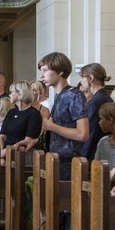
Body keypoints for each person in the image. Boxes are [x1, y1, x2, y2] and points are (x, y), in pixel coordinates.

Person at [38, 52, 88, 181]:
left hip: (70, 162)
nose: (41, 75)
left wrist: (51, 126)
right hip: (56, 159)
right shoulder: (59, 95)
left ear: (60, 71)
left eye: (45, 70)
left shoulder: (74, 95)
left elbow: (82, 134)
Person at [79, 63, 113, 160]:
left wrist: (82, 156)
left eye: (82, 77)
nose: (81, 81)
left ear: (91, 78)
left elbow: (90, 132)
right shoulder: (105, 97)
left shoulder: (95, 102)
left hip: (94, 153)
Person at [0, 80, 42, 150]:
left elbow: (27, 142)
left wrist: (6, 151)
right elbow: (1, 136)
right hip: (5, 152)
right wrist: (1, 151)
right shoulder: (11, 112)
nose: (9, 95)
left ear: (19, 94)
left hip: (21, 153)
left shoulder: (34, 114)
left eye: (11, 92)